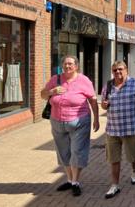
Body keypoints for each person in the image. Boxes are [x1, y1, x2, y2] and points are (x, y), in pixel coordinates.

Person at [40, 55, 100, 197]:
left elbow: (92, 100)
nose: (67, 66)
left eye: (70, 64)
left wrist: (96, 119)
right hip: (57, 121)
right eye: (65, 64)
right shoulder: (56, 79)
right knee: (63, 152)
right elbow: (42, 95)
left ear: (76, 66)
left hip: (79, 122)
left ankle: (75, 182)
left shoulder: (84, 80)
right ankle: (69, 179)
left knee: (77, 151)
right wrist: (51, 92)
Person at [101, 61, 135, 199]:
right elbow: (104, 105)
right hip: (112, 130)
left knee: (132, 155)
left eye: (120, 69)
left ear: (126, 70)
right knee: (113, 159)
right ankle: (115, 185)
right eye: (115, 70)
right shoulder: (108, 86)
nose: (117, 72)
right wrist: (104, 105)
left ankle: (134, 170)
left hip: (131, 128)